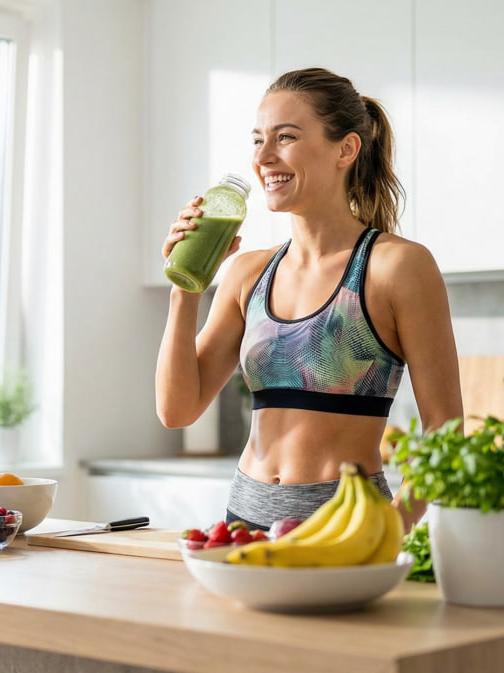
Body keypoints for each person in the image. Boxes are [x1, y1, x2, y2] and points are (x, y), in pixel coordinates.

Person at [155, 67, 463, 533]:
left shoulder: (396, 267)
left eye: (286, 137)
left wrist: (390, 528)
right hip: (244, 519)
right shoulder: (246, 273)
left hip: (345, 524)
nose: (265, 156)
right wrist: (185, 290)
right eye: (258, 140)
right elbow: (177, 411)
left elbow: (446, 429)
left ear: (346, 148)